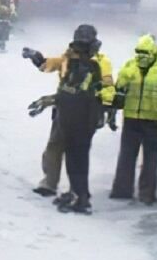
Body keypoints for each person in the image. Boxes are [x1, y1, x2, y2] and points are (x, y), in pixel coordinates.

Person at [23, 24, 116, 214]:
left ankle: (78, 194)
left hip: (83, 113)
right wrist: (37, 57)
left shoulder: (99, 62)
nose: (78, 47)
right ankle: (51, 183)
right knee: (55, 146)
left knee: (77, 155)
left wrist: (106, 109)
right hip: (65, 109)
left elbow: (106, 87)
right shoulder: (69, 56)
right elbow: (49, 65)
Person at [110, 34, 157, 204]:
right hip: (153, 120)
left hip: (133, 118)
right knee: (150, 159)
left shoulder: (130, 66)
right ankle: (147, 193)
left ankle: (122, 190)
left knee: (128, 156)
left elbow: (119, 90)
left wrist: (112, 113)